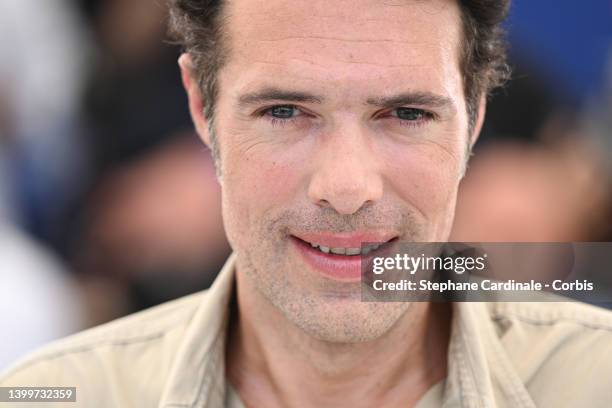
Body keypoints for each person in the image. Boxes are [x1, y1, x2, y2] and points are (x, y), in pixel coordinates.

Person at [2, 0, 612, 407]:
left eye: (406, 113)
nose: (347, 188)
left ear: (475, 117)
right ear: (201, 107)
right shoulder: (56, 394)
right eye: (285, 112)